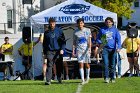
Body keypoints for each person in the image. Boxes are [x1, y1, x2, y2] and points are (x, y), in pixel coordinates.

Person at [97, 17, 121, 83]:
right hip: (105, 49)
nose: (108, 23)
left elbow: (118, 39)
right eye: (107, 22)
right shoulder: (102, 30)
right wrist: (101, 42)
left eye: (109, 22)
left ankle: (112, 77)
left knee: (112, 64)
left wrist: (119, 47)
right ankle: (106, 77)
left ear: (112, 22)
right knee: (106, 63)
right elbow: (98, 38)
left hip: (113, 49)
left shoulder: (115, 30)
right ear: (105, 23)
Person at [43, 18, 65, 85]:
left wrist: (62, 49)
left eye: (53, 23)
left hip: (58, 51)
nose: (52, 24)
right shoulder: (46, 32)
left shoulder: (59, 31)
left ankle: (59, 79)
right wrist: (44, 53)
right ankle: (48, 80)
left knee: (59, 65)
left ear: (55, 23)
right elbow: (44, 44)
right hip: (50, 51)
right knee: (49, 65)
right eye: (51, 23)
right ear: (49, 23)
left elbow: (63, 42)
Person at [72, 18, 91, 85]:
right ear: (77, 24)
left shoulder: (88, 30)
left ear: (83, 23)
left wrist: (89, 49)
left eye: (81, 23)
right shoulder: (75, 32)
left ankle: (88, 77)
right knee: (80, 64)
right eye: (79, 23)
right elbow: (74, 42)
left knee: (87, 65)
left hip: (86, 50)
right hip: (79, 50)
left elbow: (89, 40)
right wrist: (73, 51)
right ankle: (82, 79)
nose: (80, 24)